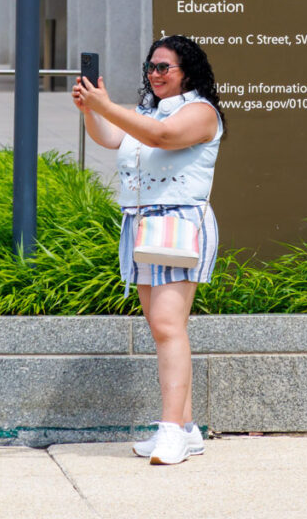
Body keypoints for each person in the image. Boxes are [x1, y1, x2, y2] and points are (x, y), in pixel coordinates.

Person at [72, 34, 226, 466]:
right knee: (163, 327)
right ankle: (188, 428)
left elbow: (160, 138)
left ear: (188, 71)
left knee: (166, 325)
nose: (155, 75)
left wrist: (107, 107)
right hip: (142, 225)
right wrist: (90, 109)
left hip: (177, 224)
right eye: (151, 67)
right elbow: (111, 138)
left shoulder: (200, 112)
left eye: (165, 68)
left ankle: (172, 431)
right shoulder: (147, 111)